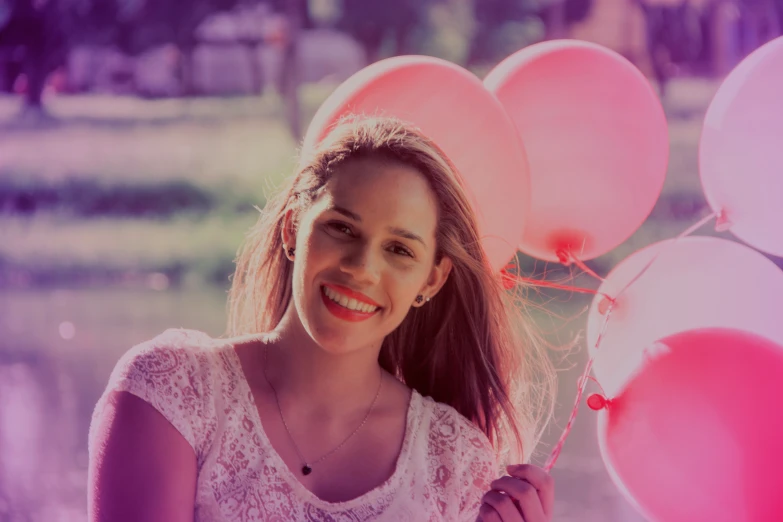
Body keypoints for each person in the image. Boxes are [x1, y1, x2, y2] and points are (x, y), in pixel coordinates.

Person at [87, 116, 557, 521]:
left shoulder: (454, 461)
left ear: (431, 281)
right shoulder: (173, 393)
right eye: (342, 228)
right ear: (294, 228)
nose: (361, 269)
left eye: (398, 249)